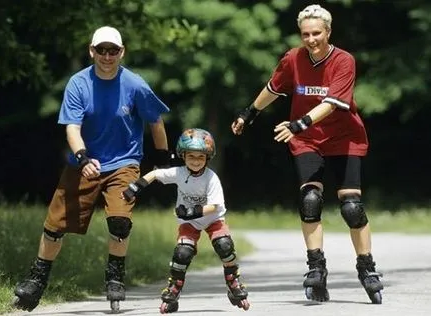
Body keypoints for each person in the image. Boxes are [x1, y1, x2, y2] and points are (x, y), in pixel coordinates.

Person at [231, 4, 383, 304]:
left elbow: (332, 103)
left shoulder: (343, 61)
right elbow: (273, 88)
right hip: (307, 140)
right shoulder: (293, 58)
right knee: (309, 200)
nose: (311, 39)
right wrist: (250, 113)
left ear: (328, 32)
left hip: (344, 138)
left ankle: (367, 268)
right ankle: (316, 269)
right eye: (305, 34)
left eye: (316, 33)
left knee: (351, 206)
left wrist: (298, 123)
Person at [12, 26, 170, 313]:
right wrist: (83, 158)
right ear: (91, 51)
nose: (107, 56)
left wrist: (162, 160)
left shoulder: (135, 84)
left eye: (113, 51)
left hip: (124, 161)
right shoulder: (78, 83)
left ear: (122, 52)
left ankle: (114, 278)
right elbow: (72, 127)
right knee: (54, 227)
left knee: (120, 221)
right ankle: (37, 279)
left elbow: (155, 122)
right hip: (83, 162)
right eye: (101, 50)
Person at [122, 128, 250, 314]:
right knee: (182, 253)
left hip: (212, 218)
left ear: (208, 157)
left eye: (201, 157)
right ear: (183, 156)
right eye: (191, 156)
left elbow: (214, 206)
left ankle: (233, 282)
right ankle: (174, 288)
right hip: (189, 222)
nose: (196, 161)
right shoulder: (179, 173)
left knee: (224, 246)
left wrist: (192, 211)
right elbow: (155, 174)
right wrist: (135, 187)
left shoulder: (211, 178)